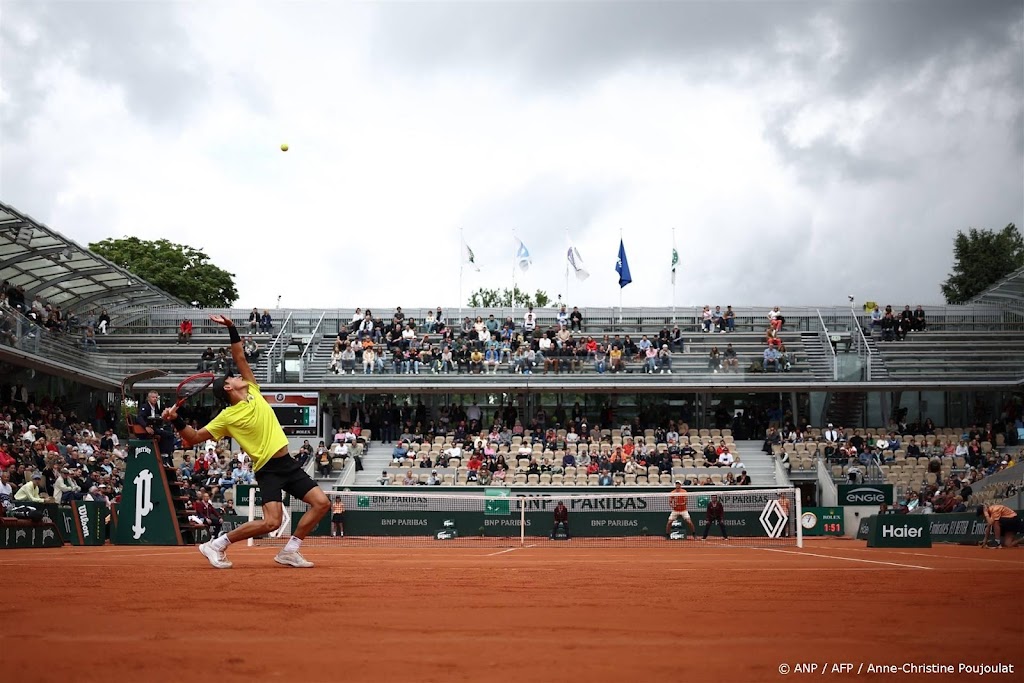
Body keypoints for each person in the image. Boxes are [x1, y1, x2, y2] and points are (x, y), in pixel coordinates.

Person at [162, 314, 330, 569]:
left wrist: (232, 327)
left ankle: (290, 550)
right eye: (232, 378)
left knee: (322, 503)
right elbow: (194, 438)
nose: (238, 376)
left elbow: (240, 356)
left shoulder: (252, 389)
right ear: (229, 388)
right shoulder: (226, 417)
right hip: (268, 469)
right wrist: (176, 420)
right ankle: (217, 544)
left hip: (288, 463)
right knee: (271, 523)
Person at [138, 391, 175, 467]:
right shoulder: (145, 407)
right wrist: (146, 427)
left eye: (156, 397)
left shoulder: (156, 408)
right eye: (153, 397)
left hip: (156, 427)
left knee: (169, 432)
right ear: (148, 398)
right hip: (148, 429)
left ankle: (166, 454)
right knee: (168, 435)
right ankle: (164, 455)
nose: (155, 399)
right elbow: (139, 418)